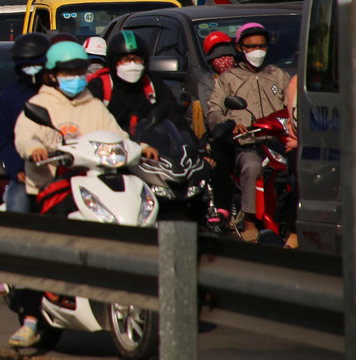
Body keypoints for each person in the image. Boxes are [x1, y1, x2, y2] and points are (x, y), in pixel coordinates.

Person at [8, 41, 154, 348]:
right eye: (67, 72)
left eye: (79, 71)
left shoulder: (94, 104)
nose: (74, 77)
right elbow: (25, 135)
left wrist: (139, 148)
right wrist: (35, 149)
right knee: (43, 247)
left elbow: (117, 135)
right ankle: (31, 320)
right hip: (50, 187)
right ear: (51, 75)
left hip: (94, 185)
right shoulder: (41, 104)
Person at [205, 22, 289, 243]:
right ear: (241, 48)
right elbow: (213, 111)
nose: (256, 51)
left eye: (261, 46)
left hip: (279, 141)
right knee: (251, 168)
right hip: (248, 143)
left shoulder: (278, 75)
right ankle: (250, 220)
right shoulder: (228, 78)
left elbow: (294, 104)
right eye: (251, 46)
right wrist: (229, 124)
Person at [87, 29, 185, 134]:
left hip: (151, 147)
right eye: (126, 60)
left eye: (138, 59)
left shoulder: (153, 85)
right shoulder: (100, 86)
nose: (133, 65)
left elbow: (176, 118)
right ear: (113, 61)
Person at [0, 32, 49, 215]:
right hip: (25, 173)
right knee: (17, 209)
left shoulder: (56, 93)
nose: (32, 69)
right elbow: (4, 140)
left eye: (36, 63)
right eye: (26, 65)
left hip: (62, 170)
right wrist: (17, 169)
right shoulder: (9, 96)